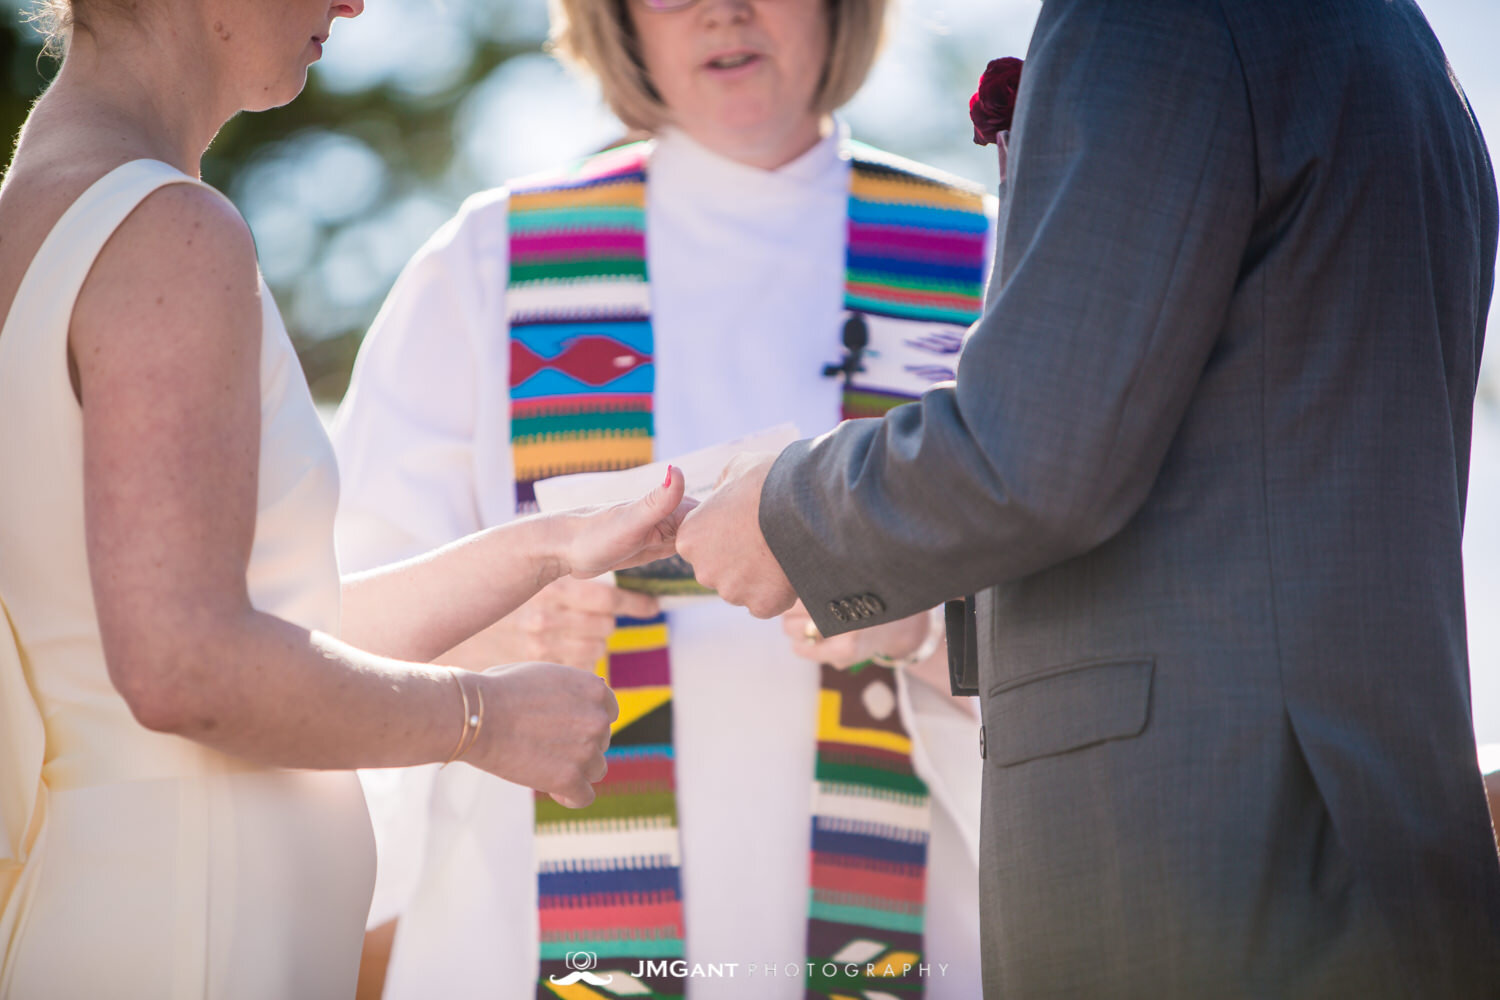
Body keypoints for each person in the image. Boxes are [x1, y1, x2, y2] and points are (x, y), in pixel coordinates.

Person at [677, 0, 1500, 995]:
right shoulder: (1399, 42)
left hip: (1204, 858)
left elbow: (1036, 453)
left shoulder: (1155, 20)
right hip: (1365, 839)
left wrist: (786, 512)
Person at [0, 0, 692, 994]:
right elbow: (184, 668)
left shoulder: (37, 214)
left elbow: (246, 629)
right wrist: (483, 720)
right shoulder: (168, 231)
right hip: (195, 931)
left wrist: (542, 551)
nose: (356, 2)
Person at [331, 0, 989, 996]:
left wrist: (917, 630)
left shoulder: (980, 254)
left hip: (904, 907)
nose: (722, 9)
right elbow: (335, 622)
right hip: (536, 911)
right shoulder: (491, 258)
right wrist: (503, 620)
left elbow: (1096, 616)